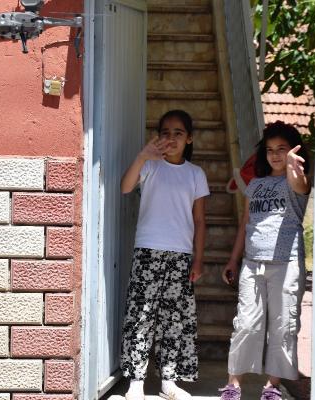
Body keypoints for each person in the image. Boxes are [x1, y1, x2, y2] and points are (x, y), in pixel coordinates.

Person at [119, 110, 209, 400]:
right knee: (141, 314)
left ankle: (169, 380)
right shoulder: (150, 166)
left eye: (178, 133)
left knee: (173, 319)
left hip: (181, 254)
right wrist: (142, 156)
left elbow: (200, 221)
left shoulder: (195, 174)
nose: (171, 138)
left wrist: (198, 259)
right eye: (165, 132)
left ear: (189, 138)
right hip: (147, 250)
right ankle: (136, 380)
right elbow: (125, 187)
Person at [219, 121, 311, 400]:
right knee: (245, 324)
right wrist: (233, 260)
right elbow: (245, 224)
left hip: (286, 264)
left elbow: (300, 184)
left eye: (282, 149)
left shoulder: (297, 181)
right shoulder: (256, 185)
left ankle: (272, 386)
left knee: (284, 326)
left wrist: (294, 166)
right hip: (252, 263)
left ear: (294, 151)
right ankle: (233, 385)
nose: (275, 155)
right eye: (270, 149)